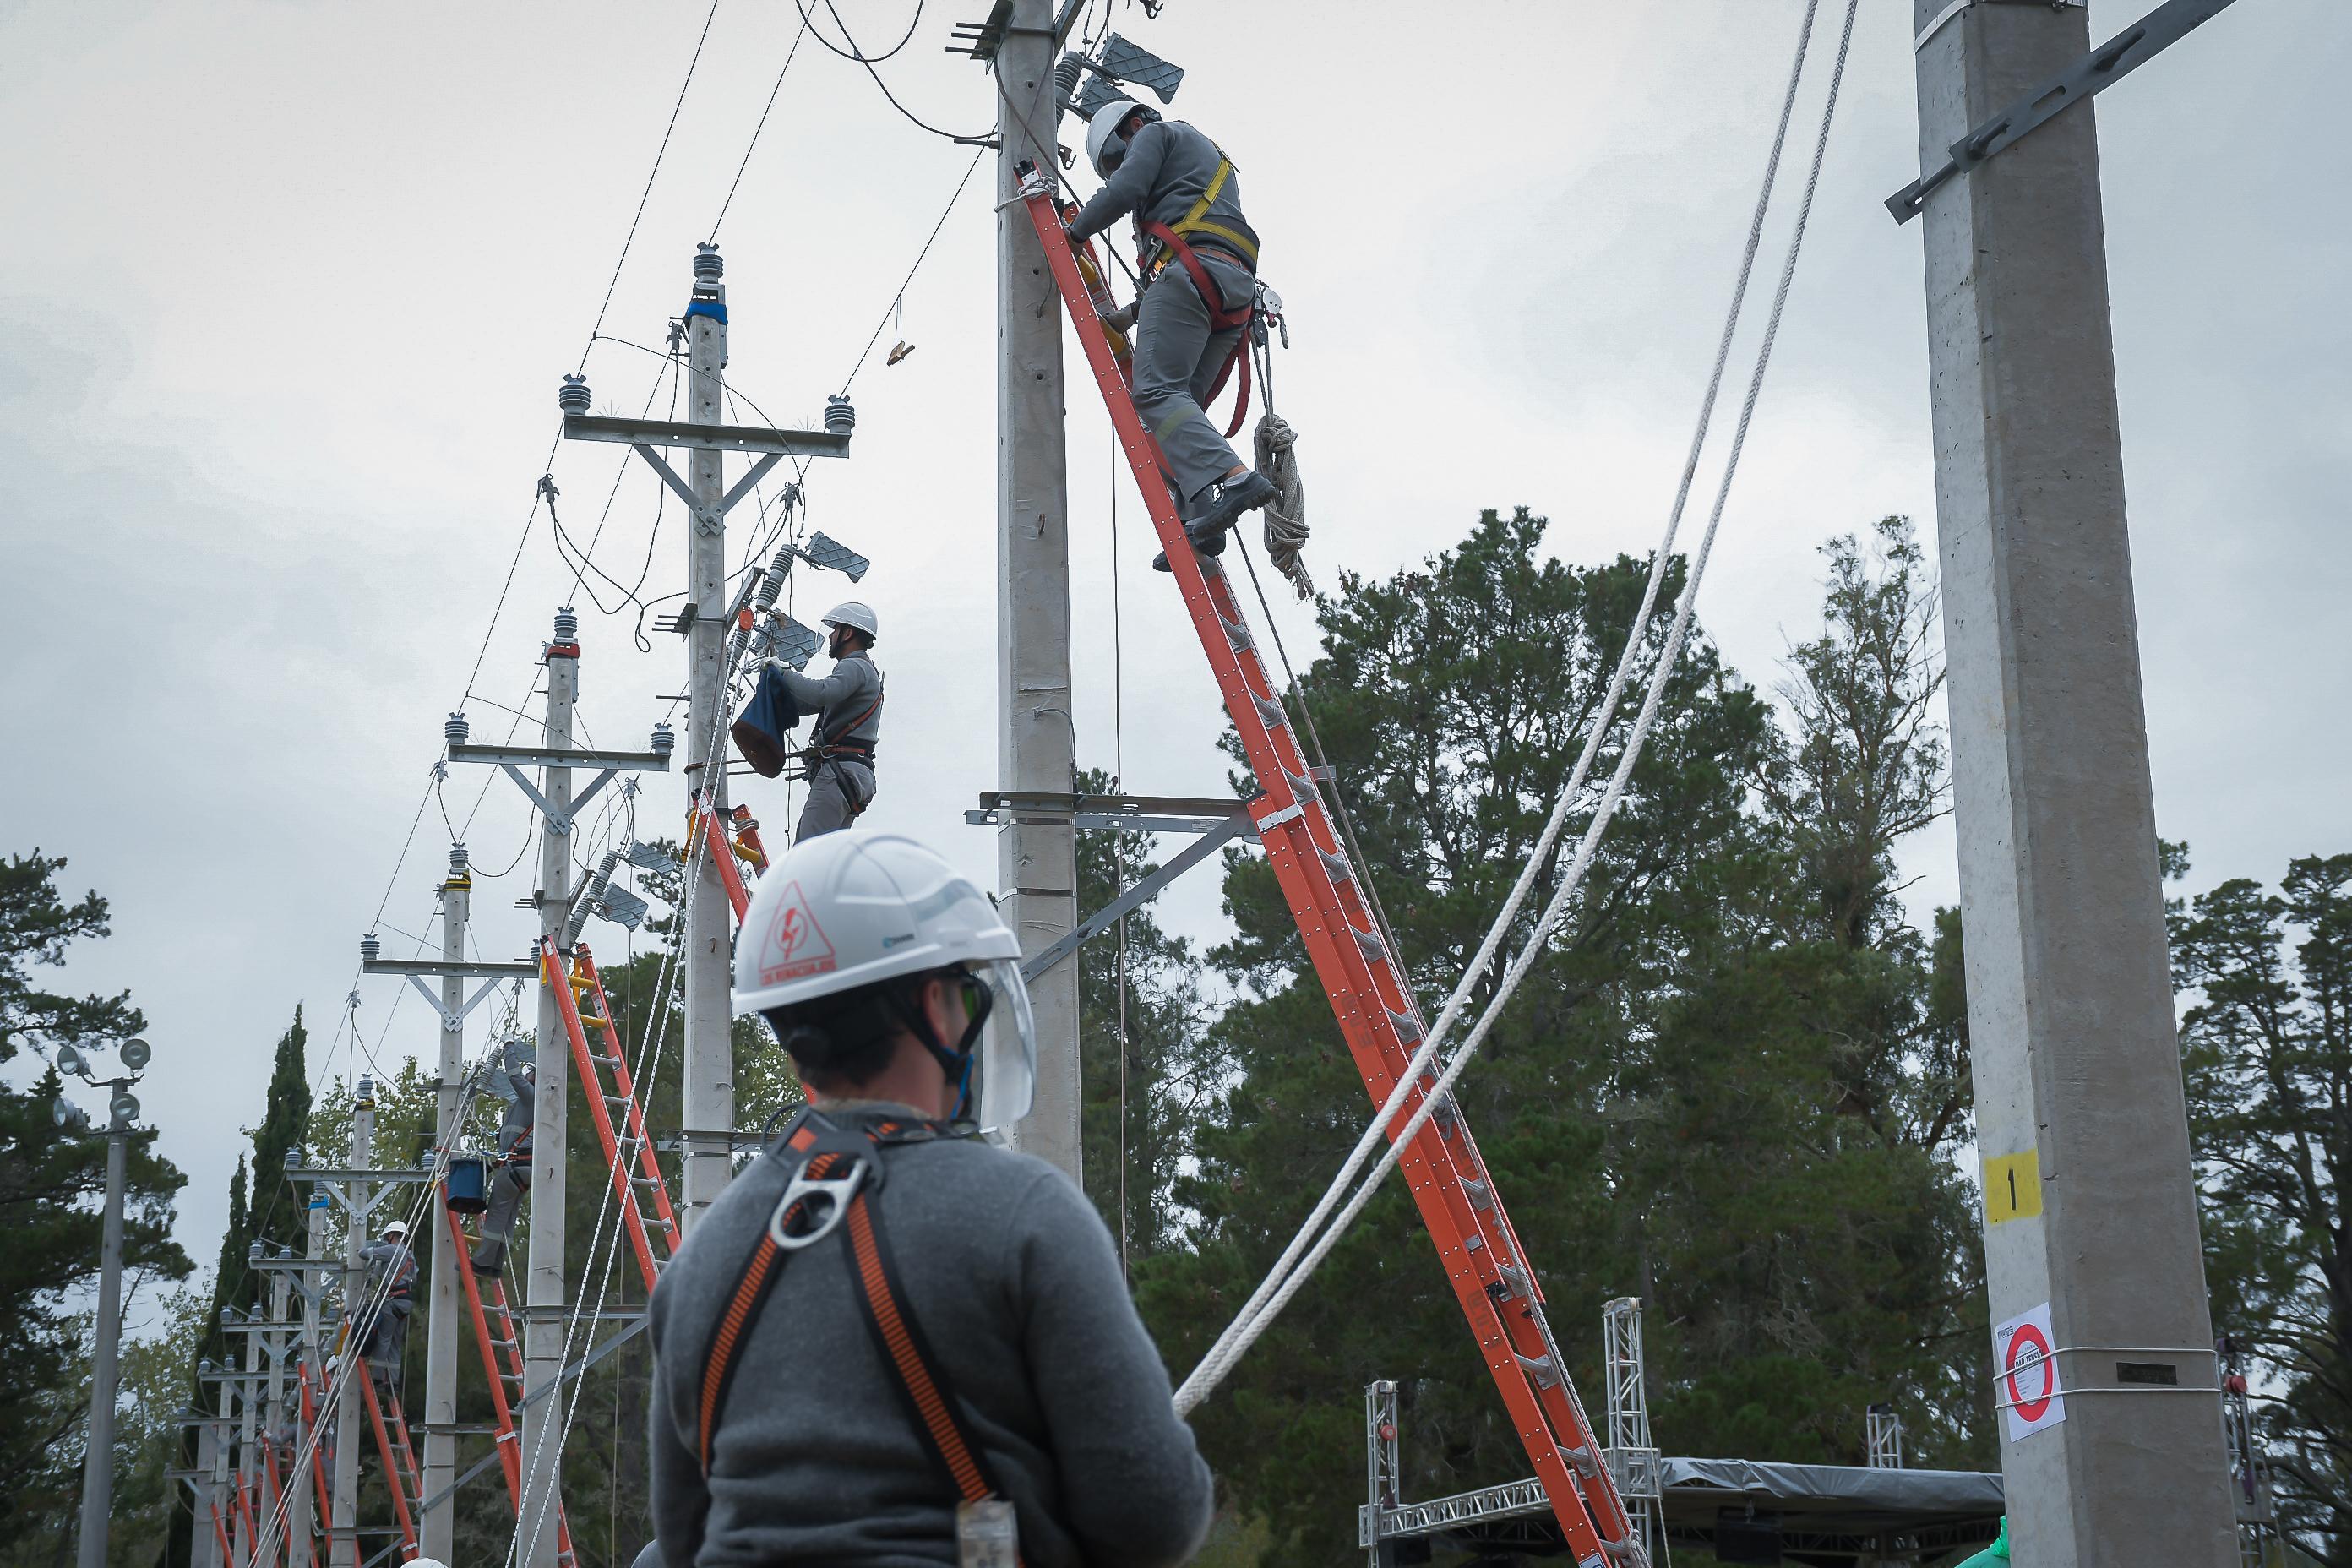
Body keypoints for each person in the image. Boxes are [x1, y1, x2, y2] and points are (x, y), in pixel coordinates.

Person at [646, 830, 1213, 1567]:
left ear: (791, 1032)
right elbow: (1151, 1516)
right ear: (935, 1003)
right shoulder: (1024, 1213)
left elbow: (682, 1537)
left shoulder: (699, 1264)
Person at [1066, 97, 1279, 569]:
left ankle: (1236, 478)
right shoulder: (1204, 165)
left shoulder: (1156, 135)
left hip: (1190, 274)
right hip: (1231, 292)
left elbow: (1125, 191)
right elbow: (1199, 237)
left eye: (1119, 159)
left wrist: (1075, 235)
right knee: (1177, 415)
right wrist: (1128, 315)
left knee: (1156, 392)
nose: (1124, 168)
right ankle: (1204, 523)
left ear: (1134, 125)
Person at [759, 602, 885, 842]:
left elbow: (821, 693)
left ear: (847, 633)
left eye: (835, 630)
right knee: (823, 859)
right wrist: (776, 688)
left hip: (841, 772)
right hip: (852, 773)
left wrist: (783, 670)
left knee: (805, 855)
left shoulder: (855, 666)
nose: (830, 637)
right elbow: (811, 703)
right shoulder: (862, 670)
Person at [469, 1041, 536, 1274]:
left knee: (497, 1215)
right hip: (521, 1167)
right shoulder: (525, 1105)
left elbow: (515, 1077)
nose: (527, 1075)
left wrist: (508, 1050)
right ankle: (496, 1264)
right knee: (507, 1218)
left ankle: (482, 1262)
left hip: (517, 1168)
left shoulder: (532, 1097)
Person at [358, 1218, 417, 1388]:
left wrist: (373, 1247)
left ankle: (377, 1377)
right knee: (396, 1343)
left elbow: (364, 1253)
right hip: (405, 1302)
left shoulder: (391, 1250)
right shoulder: (410, 1255)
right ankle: (394, 1381)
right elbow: (415, 1278)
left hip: (392, 1301)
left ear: (391, 1235)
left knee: (384, 1339)